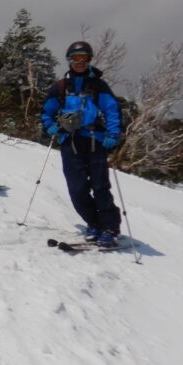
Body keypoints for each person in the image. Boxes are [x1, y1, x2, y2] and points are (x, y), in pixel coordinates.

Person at [40, 40, 124, 247]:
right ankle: (94, 224)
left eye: (84, 57)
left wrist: (113, 134)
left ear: (89, 59)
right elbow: (47, 113)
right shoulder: (60, 86)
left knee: (100, 186)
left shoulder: (98, 85)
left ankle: (110, 228)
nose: (79, 62)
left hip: (96, 141)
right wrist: (51, 128)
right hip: (70, 142)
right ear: (69, 60)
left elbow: (112, 110)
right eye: (75, 58)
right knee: (77, 189)